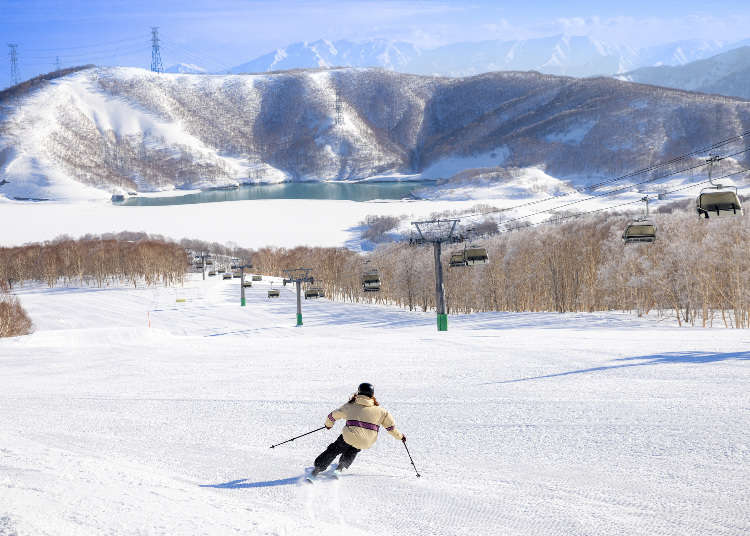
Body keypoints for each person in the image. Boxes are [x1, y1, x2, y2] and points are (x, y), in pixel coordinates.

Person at [311, 382, 405, 475]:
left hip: (349, 437)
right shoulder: (382, 411)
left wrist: (329, 425)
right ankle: (341, 467)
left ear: (358, 392)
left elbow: (332, 416)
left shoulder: (350, 405)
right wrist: (401, 437)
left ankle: (318, 468)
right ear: (372, 394)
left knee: (335, 448)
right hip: (366, 441)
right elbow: (391, 429)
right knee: (354, 448)